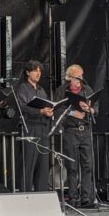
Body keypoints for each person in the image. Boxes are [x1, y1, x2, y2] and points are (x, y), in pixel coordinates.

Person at [55, 64, 98, 208]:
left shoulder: (87, 90)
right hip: (70, 131)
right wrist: (73, 113)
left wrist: (90, 110)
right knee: (72, 166)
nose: (80, 79)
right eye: (76, 77)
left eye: (81, 76)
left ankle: (87, 197)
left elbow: (95, 108)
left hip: (85, 130)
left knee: (87, 165)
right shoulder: (62, 90)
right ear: (69, 78)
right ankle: (73, 197)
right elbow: (57, 109)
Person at [16, 60, 53, 192]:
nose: (38, 73)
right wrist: (40, 111)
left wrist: (48, 112)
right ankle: (25, 194)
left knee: (43, 164)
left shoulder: (42, 90)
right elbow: (22, 107)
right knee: (29, 163)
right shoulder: (23, 88)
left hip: (43, 128)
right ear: (27, 72)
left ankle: (41, 194)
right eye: (35, 70)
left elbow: (46, 106)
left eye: (39, 71)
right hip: (30, 128)